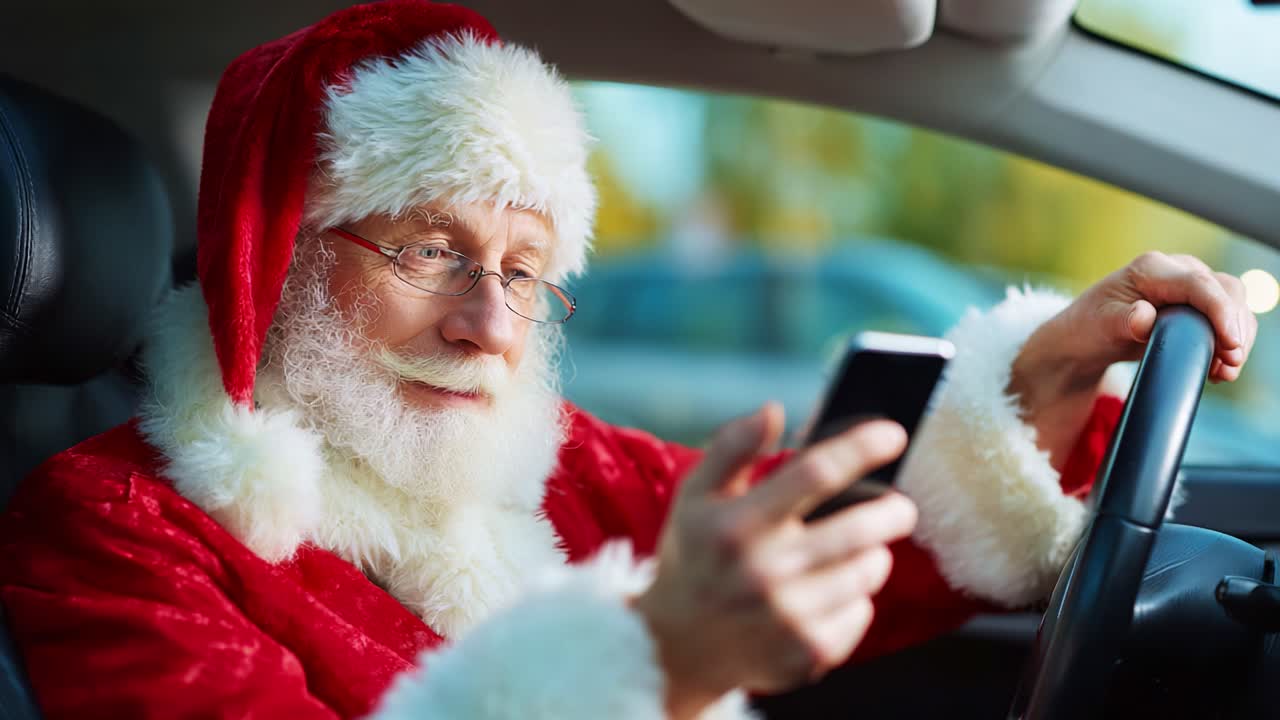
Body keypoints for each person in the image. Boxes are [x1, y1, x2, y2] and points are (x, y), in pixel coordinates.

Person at [0, 2, 1257, 719]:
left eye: (523, 266)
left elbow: (850, 551)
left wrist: (1039, 379)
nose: (490, 326)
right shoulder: (114, 528)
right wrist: (647, 666)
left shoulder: (542, 465)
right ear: (276, 254)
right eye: (430, 249)